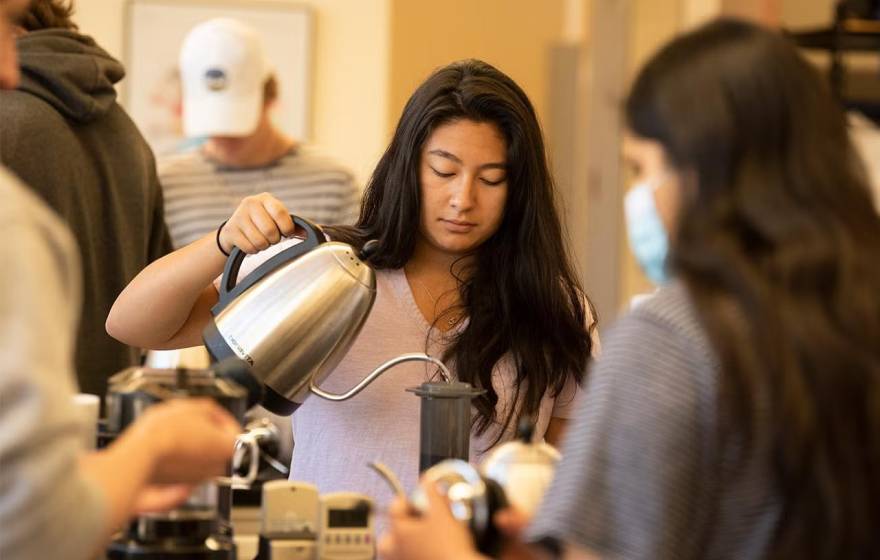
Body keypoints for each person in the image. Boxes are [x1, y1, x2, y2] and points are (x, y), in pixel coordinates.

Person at [378, 19, 880, 560]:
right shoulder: (854, 318)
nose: (638, 196)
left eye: (642, 169)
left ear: (703, 173)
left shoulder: (671, 340)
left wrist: (447, 554)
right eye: (444, 171)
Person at [107, 59, 599, 519]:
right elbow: (131, 323)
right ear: (408, 166)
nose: (462, 199)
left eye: (490, 180)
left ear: (519, 192)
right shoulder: (328, 273)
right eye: (444, 171)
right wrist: (222, 240)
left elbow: (556, 488)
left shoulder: (553, 309)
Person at [0, 2, 241, 560]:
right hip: (106, 461)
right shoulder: (126, 134)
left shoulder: (7, 126)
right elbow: (159, 318)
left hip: (39, 490)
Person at [0, 0, 173, 398]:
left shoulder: (6, 121)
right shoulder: (128, 134)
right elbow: (154, 297)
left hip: (22, 425)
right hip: (110, 420)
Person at [158, 17, 361, 249]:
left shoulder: (334, 181)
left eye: (236, 124)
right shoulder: (167, 183)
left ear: (269, 97)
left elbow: (358, 271)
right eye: (212, 123)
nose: (223, 138)